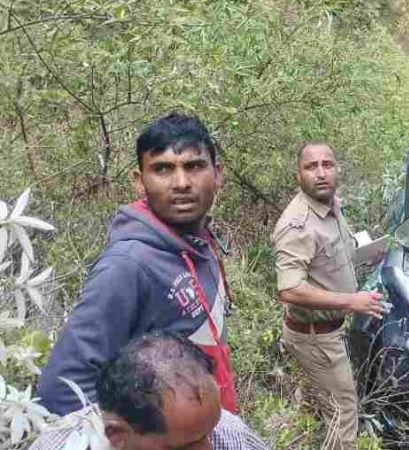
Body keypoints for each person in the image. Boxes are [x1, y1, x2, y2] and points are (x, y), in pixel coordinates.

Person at [38, 112, 238, 415]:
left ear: (218, 173)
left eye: (194, 166)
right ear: (139, 181)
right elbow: (61, 391)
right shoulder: (127, 266)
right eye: (162, 169)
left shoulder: (200, 241)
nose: (182, 183)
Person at [271, 141, 385, 449]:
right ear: (299, 174)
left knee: (322, 404)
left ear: (337, 169)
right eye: (311, 167)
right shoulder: (298, 225)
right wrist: (352, 301)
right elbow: (290, 288)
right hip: (316, 338)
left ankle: (307, 428)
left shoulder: (331, 207)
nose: (321, 173)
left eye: (327, 165)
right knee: (344, 411)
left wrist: (367, 255)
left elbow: (334, 258)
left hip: (325, 332)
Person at [31, 333, 268, 450]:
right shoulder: (60, 445)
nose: (210, 448)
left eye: (209, 431)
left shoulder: (232, 436)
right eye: (184, 447)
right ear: (116, 434)